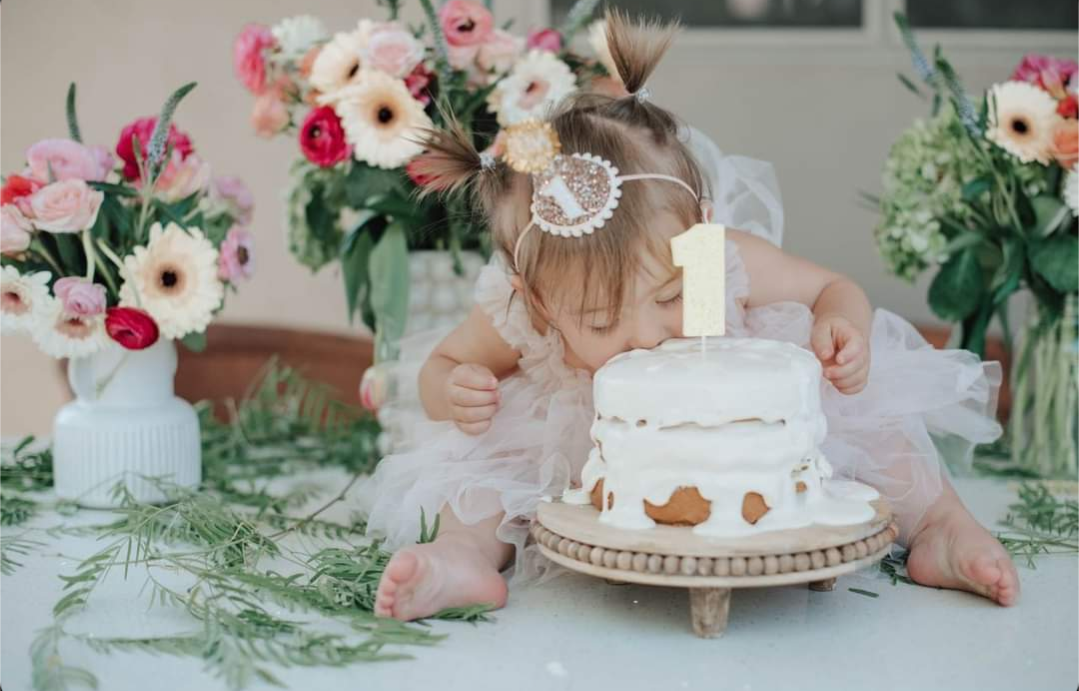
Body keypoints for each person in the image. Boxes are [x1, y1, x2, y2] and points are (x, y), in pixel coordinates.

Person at [358, 11, 1019, 622]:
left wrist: (838, 325)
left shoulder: (713, 257)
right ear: (536, 299)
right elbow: (442, 363)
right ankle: (464, 560)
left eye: (669, 296)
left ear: (700, 233)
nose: (647, 334)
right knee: (485, 477)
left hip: (748, 443)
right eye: (598, 317)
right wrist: (451, 389)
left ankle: (939, 527)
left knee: (879, 438)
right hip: (578, 450)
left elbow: (831, 287)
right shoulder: (516, 311)